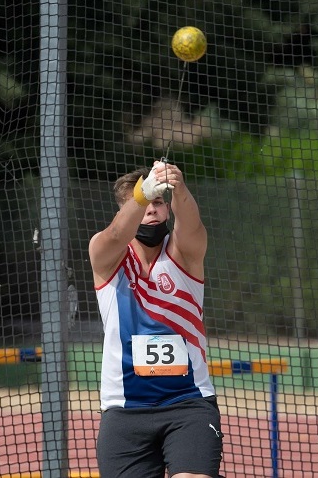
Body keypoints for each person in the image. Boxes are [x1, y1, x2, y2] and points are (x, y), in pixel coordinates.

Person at [89, 160, 222, 478]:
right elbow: (118, 233)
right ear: (127, 210)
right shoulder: (105, 255)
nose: (151, 208)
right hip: (124, 411)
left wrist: (178, 186)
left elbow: (191, 223)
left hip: (188, 403)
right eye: (144, 204)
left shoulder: (184, 253)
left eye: (158, 203)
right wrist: (143, 193)